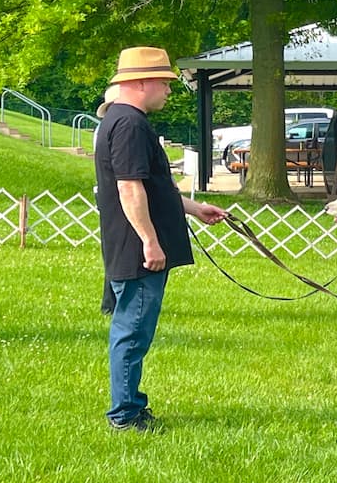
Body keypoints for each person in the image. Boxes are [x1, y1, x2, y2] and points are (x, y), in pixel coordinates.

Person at [94, 46, 228, 433]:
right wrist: (150, 242)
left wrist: (193, 208)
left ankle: (132, 404)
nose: (170, 89)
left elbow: (153, 186)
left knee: (133, 329)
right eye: (164, 82)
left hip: (132, 245)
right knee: (132, 332)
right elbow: (130, 189)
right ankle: (125, 415)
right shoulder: (130, 125)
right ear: (139, 82)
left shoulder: (122, 121)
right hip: (138, 249)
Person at [94, 84, 120, 316]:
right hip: (116, 197)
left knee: (113, 252)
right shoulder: (117, 129)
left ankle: (110, 303)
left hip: (105, 194)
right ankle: (110, 303)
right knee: (117, 253)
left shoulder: (104, 128)